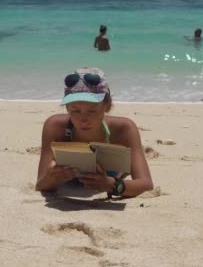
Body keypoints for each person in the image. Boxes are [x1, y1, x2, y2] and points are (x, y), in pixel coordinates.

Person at [36, 67, 153, 197]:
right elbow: (40, 184)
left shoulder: (123, 129)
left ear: (107, 106)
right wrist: (52, 178)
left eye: (92, 111)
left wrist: (111, 185)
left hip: (112, 178)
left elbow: (146, 184)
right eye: (75, 111)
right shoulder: (55, 127)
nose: (83, 119)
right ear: (67, 108)